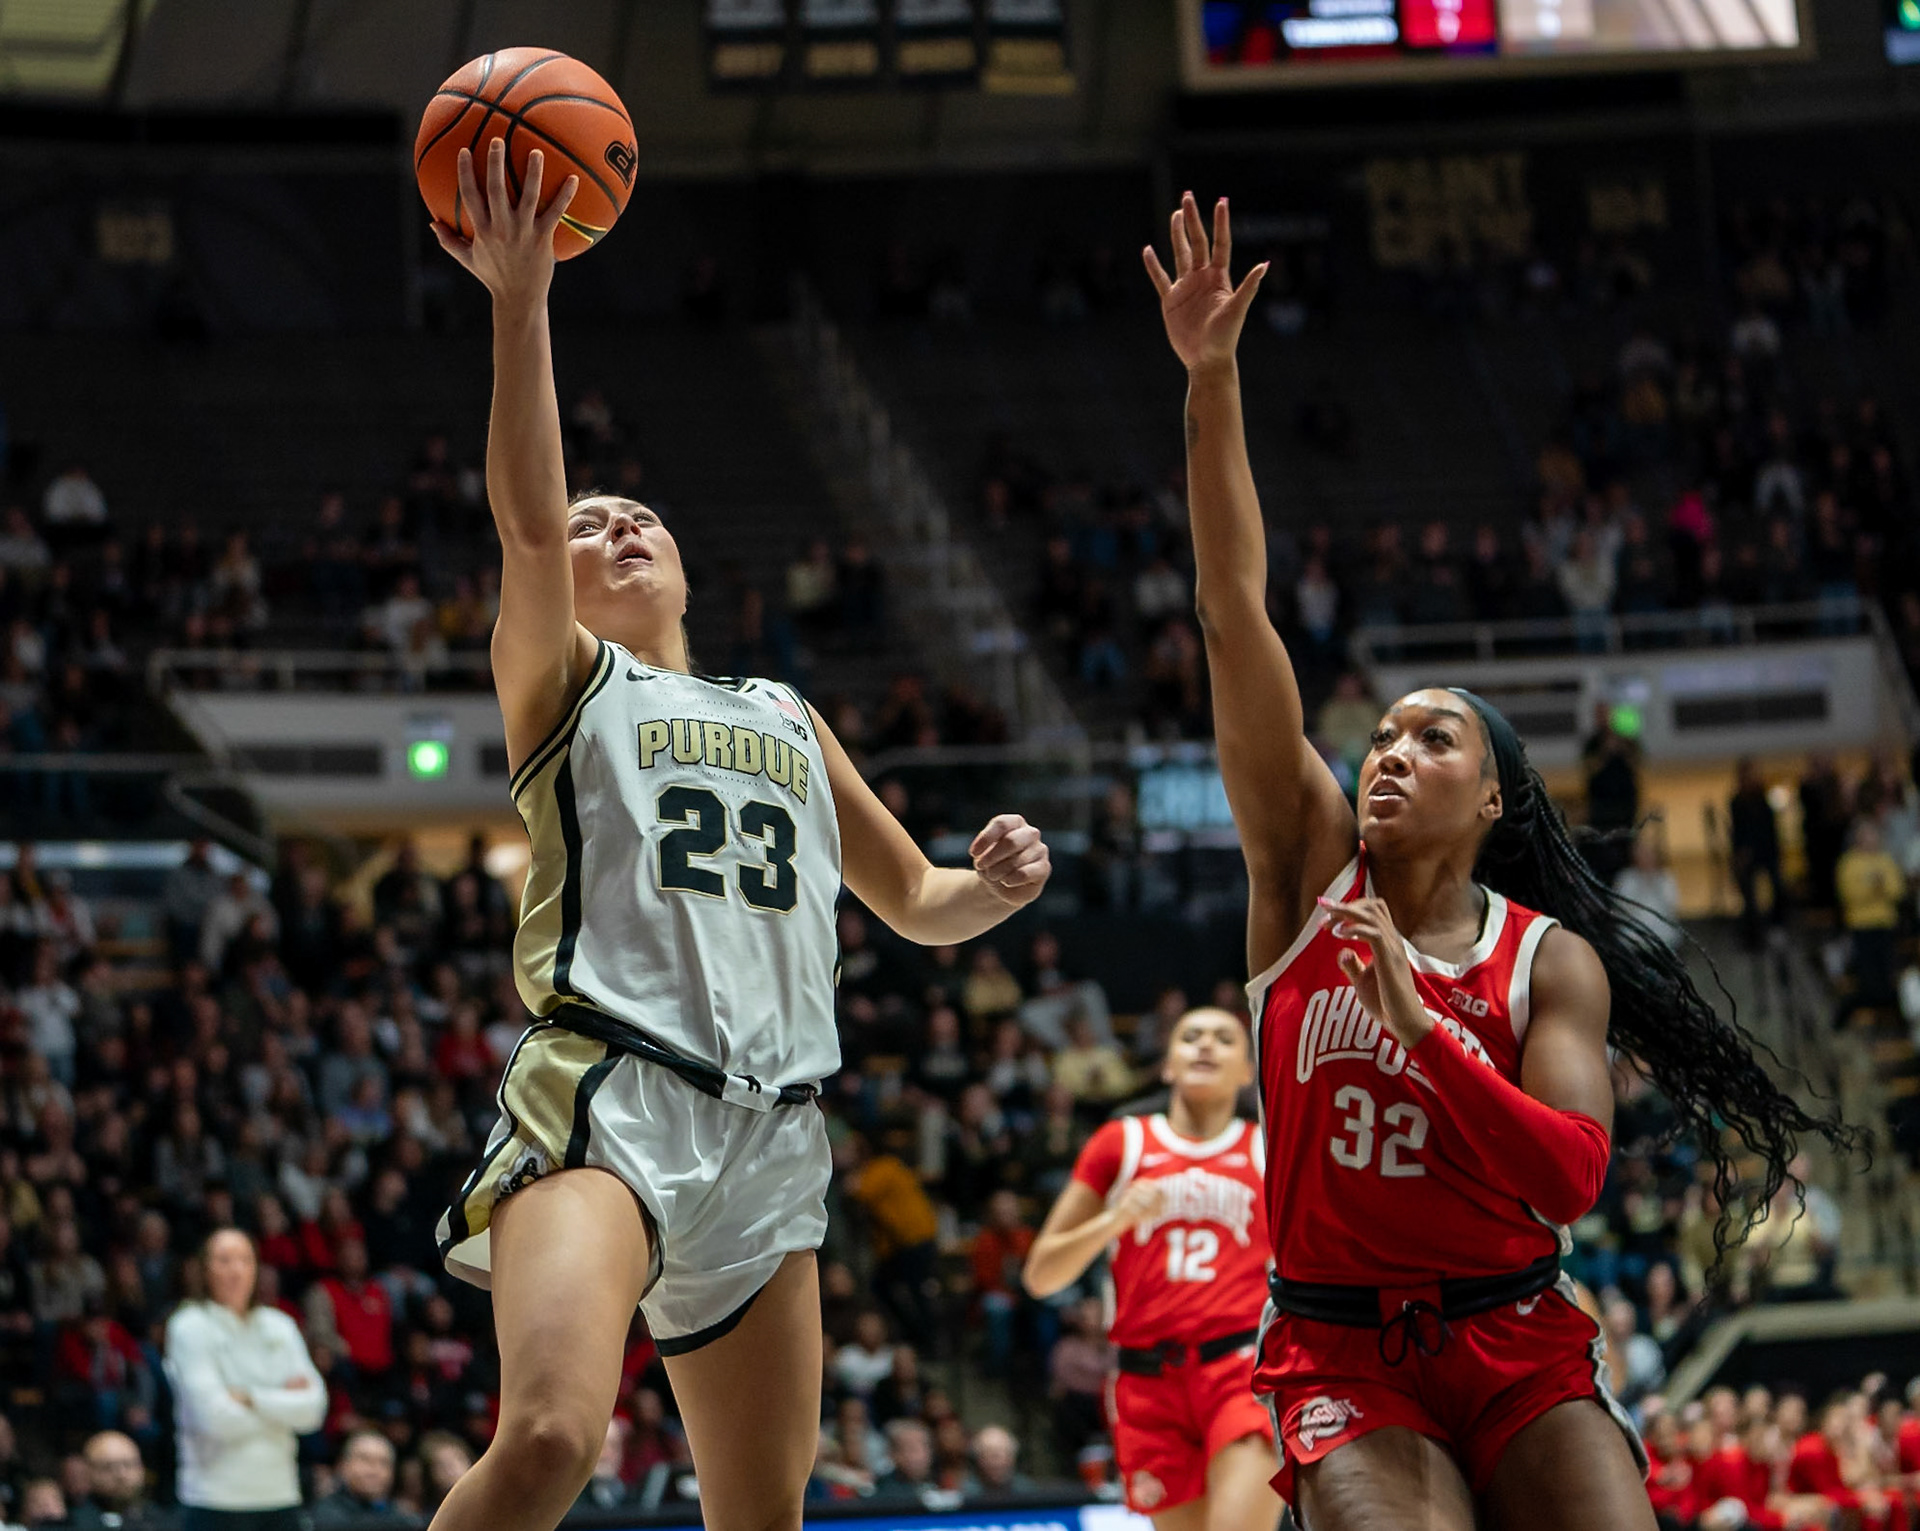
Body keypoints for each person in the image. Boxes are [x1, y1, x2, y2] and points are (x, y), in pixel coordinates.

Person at [1143, 191, 1854, 1531]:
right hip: (1343, 1350)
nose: (1392, 750)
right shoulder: (1306, 870)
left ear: (1494, 799)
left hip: (1518, 1337)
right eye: (1386, 733)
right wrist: (1211, 382)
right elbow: (1231, 611)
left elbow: (1571, 1175)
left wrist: (1421, 1030)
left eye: (1436, 736)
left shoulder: (1549, 959)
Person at [426, 140, 1052, 1531]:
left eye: (640, 511)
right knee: (545, 1438)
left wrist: (991, 887)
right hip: (613, 1087)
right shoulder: (567, 678)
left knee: (764, 1517)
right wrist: (521, 299)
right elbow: (528, 524)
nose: (618, 520)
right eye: (597, 520)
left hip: (773, 1135)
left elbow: (917, 900)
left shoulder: (782, 707)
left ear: (690, 564)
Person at [1025, 1007, 1281, 1531]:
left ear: (1246, 1071)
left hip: (1241, 1372)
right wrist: (1112, 1221)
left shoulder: (1267, 1150)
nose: (1205, 1045)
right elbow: (1041, 1276)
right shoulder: (1122, 1144)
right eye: (1190, 1037)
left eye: (1222, 1039)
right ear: (1167, 1066)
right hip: (1146, 1381)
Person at [163, 1229, 326, 1531]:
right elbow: (214, 1418)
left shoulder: (280, 1325)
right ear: (204, 1268)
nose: (235, 1270)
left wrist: (250, 1398)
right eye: (224, 1261)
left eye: (244, 1260)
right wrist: (281, 1403)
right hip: (214, 1499)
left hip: (280, 1495)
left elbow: (313, 1409)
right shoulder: (189, 1326)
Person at [69, 1430, 168, 1531]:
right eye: (108, 1467)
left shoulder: (167, 1521)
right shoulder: (70, 1522)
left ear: (142, 1468)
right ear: (87, 1472)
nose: (121, 1475)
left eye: (129, 1464)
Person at [311, 1432, 409, 1527]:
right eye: (364, 1459)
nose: (374, 1470)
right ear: (343, 1465)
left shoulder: (404, 1520)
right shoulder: (321, 1518)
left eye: (383, 1462)